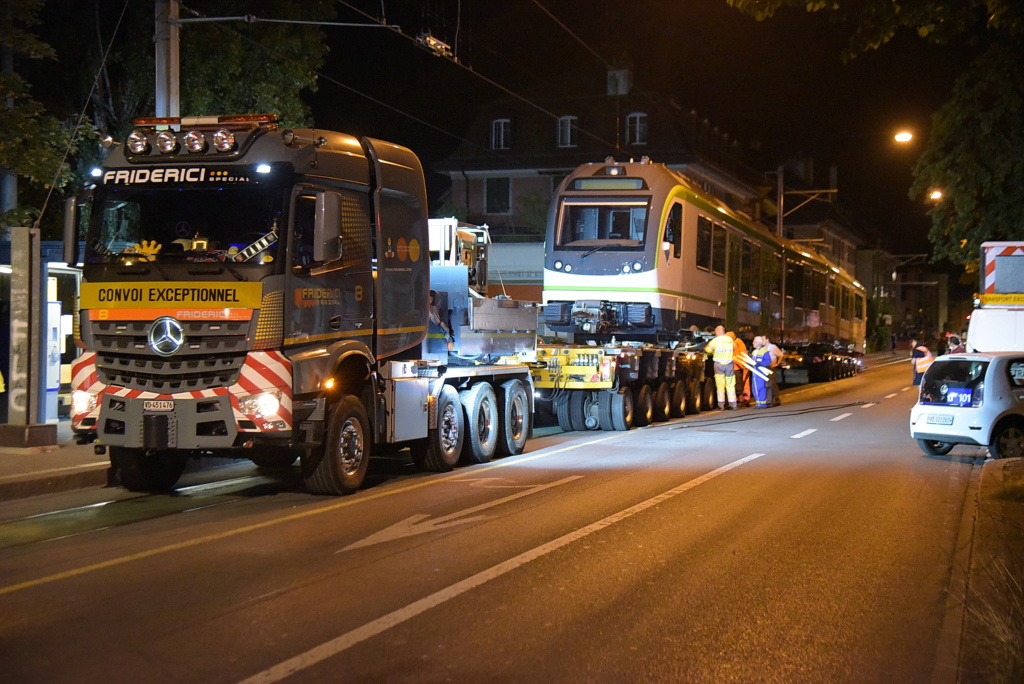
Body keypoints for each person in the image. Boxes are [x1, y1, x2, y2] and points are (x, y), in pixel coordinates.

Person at [704, 325, 737, 409]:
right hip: (729, 364)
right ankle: (733, 405)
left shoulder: (716, 340)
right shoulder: (730, 339)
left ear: (718, 331)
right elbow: (735, 347)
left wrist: (712, 351)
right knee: (730, 384)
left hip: (719, 364)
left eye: (716, 332)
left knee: (720, 385)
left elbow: (708, 349)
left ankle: (721, 405)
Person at [727, 331, 750, 407]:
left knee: (738, 384)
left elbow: (743, 355)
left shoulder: (737, 342)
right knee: (735, 384)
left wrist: (740, 363)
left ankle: (741, 400)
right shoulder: (733, 343)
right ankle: (738, 400)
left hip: (738, 366)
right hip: (733, 367)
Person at [750, 336, 774, 408]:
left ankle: (762, 403)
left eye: (754, 341)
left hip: (761, 372)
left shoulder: (764, 351)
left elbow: (768, 361)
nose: (753, 343)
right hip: (754, 372)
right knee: (755, 388)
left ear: (759, 342)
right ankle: (758, 402)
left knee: (761, 387)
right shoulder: (754, 352)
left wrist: (760, 364)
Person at [763, 335, 783, 406]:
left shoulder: (772, 347)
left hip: (771, 367)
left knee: (772, 383)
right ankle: (769, 400)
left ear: (767, 340)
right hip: (764, 367)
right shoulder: (763, 348)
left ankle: (776, 399)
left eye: (763, 339)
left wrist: (777, 363)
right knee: (766, 384)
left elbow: (780, 354)